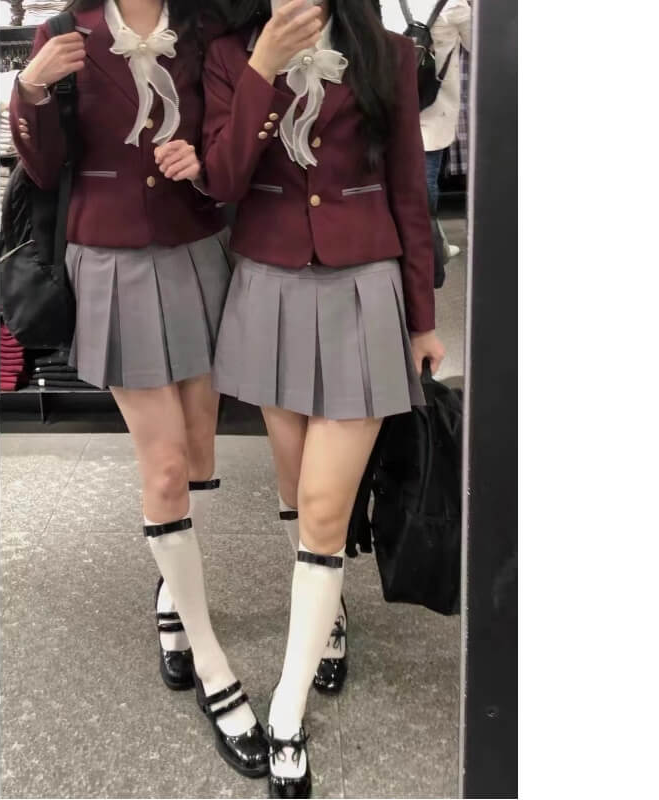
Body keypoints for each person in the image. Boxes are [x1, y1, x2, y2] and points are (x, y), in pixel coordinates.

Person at [9, 0, 270, 779]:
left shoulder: (205, 26)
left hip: (197, 246)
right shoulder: (66, 32)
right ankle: (213, 668)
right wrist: (29, 90)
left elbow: (229, 133)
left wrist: (205, 157)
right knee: (163, 469)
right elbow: (44, 169)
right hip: (111, 255)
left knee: (196, 453)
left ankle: (170, 589)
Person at [202, 0, 445, 795]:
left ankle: (286, 710)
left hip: (364, 289)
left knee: (323, 504)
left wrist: (422, 318)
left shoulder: (386, 53)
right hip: (267, 285)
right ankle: (329, 614)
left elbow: (409, 191)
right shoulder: (229, 53)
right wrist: (262, 68)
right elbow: (223, 180)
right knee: (294, 488)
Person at [383, 0, 472, 258]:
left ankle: (429, 243)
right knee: (424, 184)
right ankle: (428, 251)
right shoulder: (453, 5)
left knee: (390, 178)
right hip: (431, 107)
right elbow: (480, 45)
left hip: (388, 101)